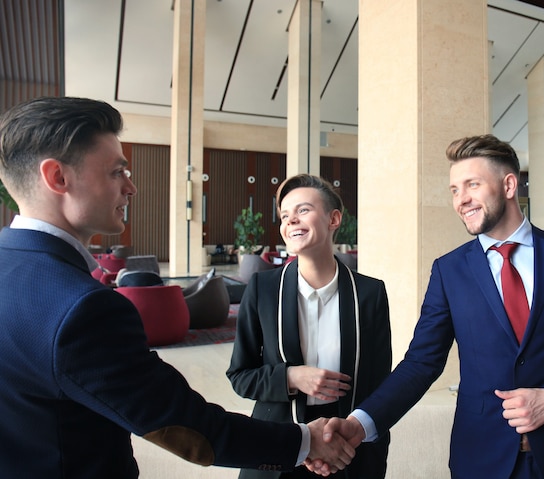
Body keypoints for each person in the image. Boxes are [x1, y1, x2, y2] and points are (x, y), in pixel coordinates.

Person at [0, 97, 355, 478]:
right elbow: (183, 424)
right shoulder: (82, 308)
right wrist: (306, 442)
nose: (131, 187)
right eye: (117, 172)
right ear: (58, 177)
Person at [318, 134, 544, 479]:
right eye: (454, 190)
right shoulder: (449, 271)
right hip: (479, 460)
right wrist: (359, 424)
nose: (461, 199)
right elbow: (421, 363)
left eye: (472, 185)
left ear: (508, 184)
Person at [227, 174, 392, 478]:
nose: (291, 220)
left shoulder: (369, 294)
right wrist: (290, 377)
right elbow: (240, 376)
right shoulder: (263, 289)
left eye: (302, 210)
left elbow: (380, 384)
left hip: (348, 449)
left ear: (334, 219)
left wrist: (347, 436)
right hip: (279, 447)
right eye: (285, 215)